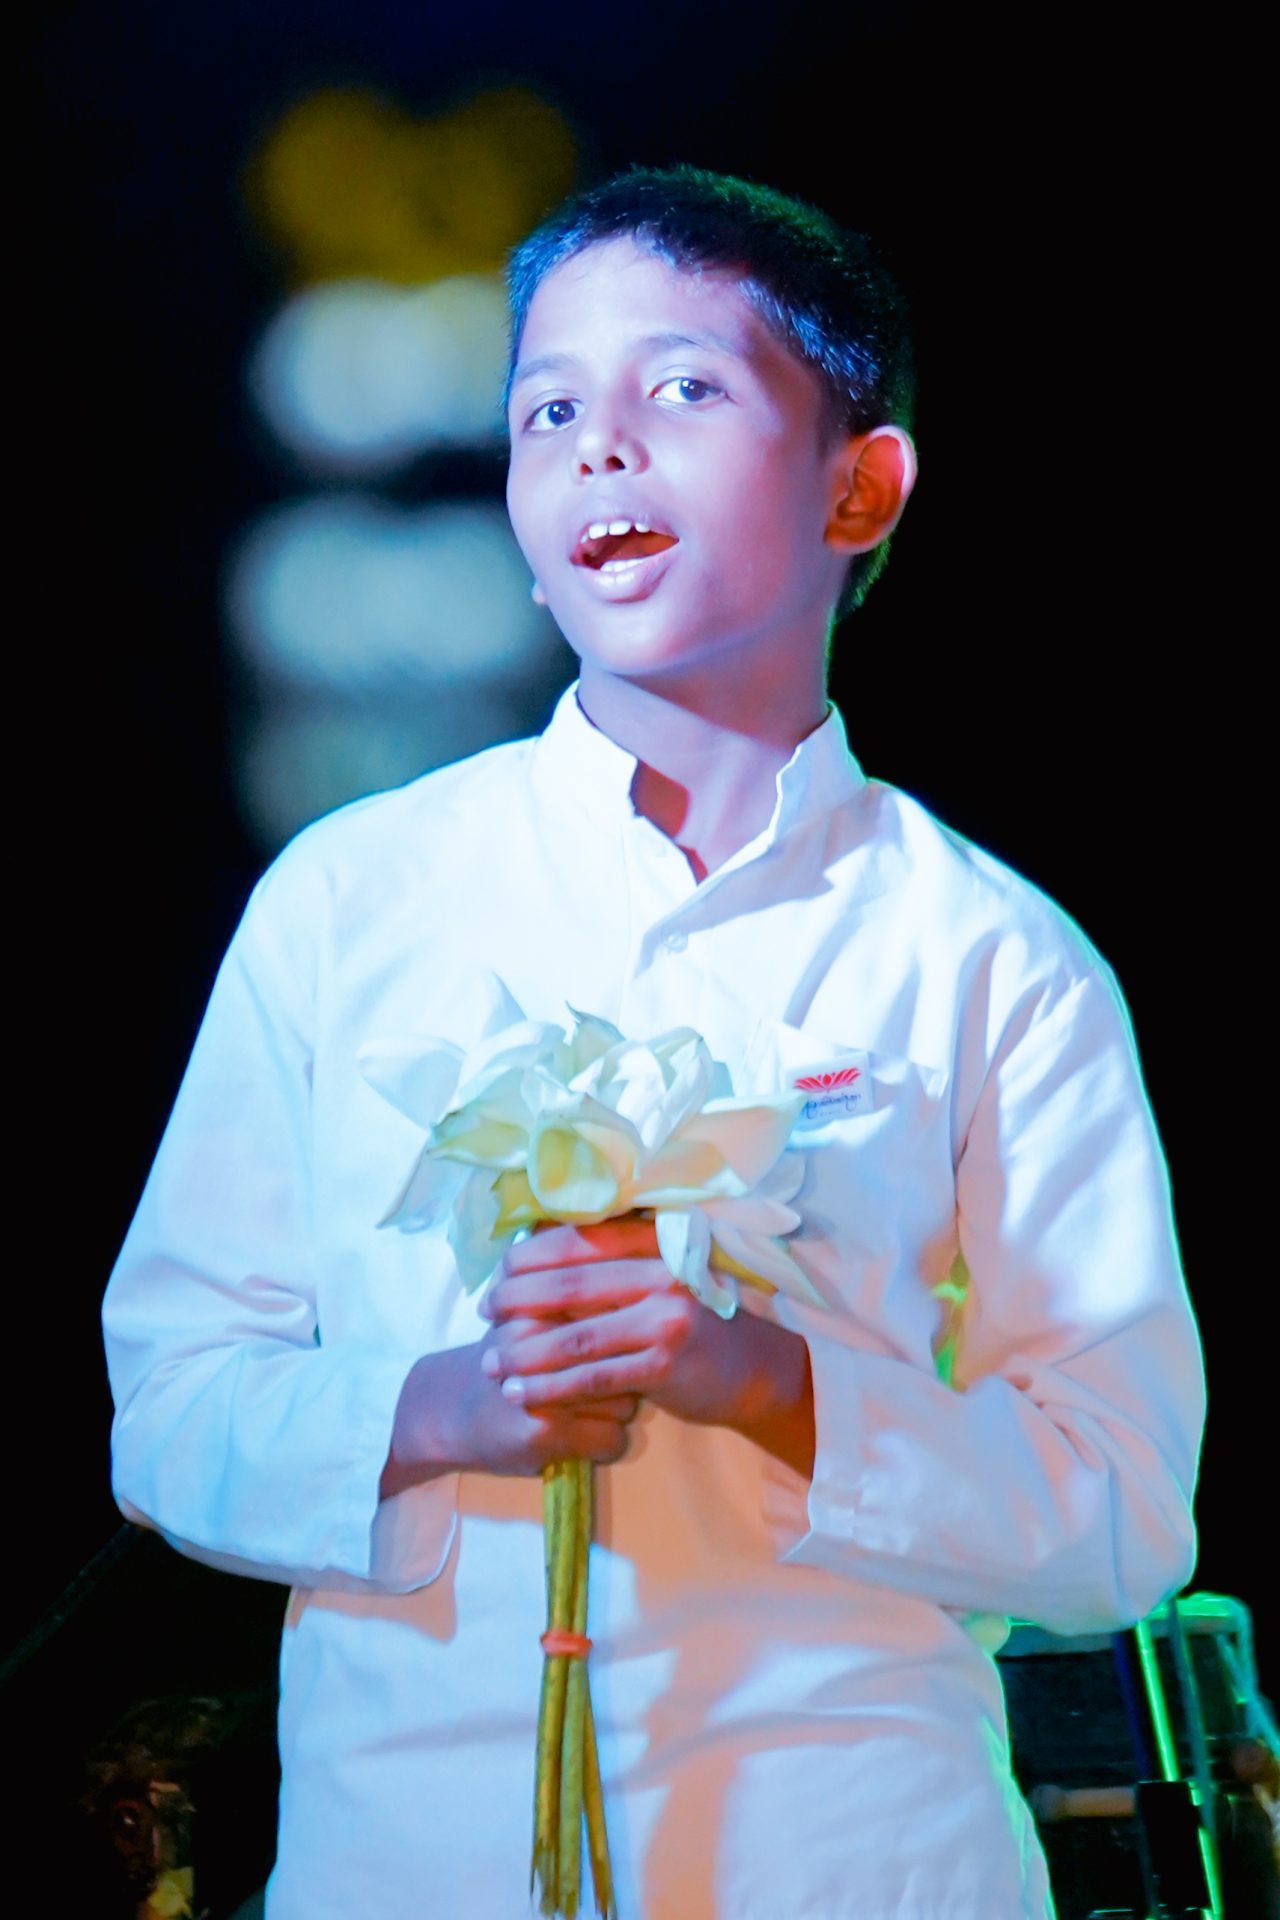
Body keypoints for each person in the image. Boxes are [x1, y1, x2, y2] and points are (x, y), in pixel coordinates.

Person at [103, 165, 1205, 1919]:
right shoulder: (352, 900)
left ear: (861, 485)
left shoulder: (991, 957)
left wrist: (761, 1383)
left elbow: (1122, 1512)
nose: (600, 446)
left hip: (853, 1862)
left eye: (682, 388)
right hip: (419, 1863)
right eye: (548, 411)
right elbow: (169, 1415)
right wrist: (447, 1406)